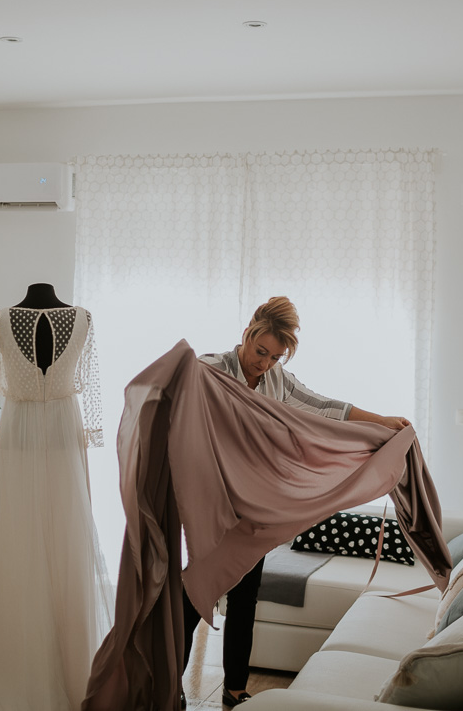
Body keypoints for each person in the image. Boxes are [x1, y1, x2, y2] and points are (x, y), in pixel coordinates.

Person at [183, 296, 411, 706]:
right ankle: (170, 688)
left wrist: (383, 422)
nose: (265, 364)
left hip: (255, 504)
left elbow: (324, 406)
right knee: (194, 592)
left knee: (245, 593)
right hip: (212, 499)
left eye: (276, 357)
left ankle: (234, 688)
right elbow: (181, 421)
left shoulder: (277, 381)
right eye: (261, 351)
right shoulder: (209, 370)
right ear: (248, 332)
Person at [0, 283, 114, 711]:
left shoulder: (75, 318)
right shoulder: (6, 319)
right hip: (57, 430)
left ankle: (51, 669)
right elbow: (88, 386)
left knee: (54, 542)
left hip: (30, 429)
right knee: (28, 544)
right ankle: (37, 669)